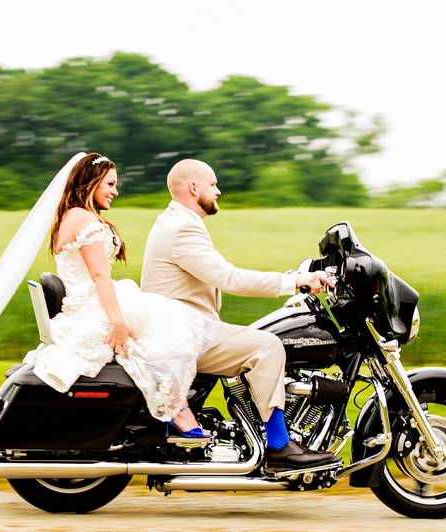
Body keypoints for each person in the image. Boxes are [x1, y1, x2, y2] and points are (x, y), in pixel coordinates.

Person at [140, 158, 339, 472]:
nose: (218, 191)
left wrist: (294, 276)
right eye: (213, 184)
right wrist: (294, 282)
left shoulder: (176, 222)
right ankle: (279, 446)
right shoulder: (182, 229)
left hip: (183, 329)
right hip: (183, 335)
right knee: (269, 346)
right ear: (194, 187)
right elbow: (229, 278)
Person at [26, 153, 219, 436]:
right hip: (93, 305)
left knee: (169, 321)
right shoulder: (84, 220)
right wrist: (117, 323)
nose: (115, 192)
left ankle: (171, 408)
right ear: (91, 183)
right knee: (171, 330)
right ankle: (174, 411)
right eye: (110, 184)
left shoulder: (71, 216)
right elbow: (100, 277)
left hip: (91, 299)